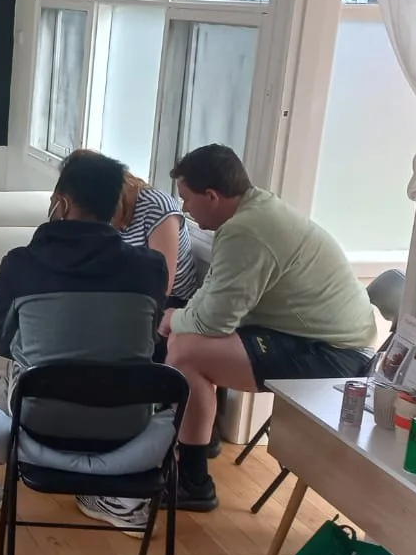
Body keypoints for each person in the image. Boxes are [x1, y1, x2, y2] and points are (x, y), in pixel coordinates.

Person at [0, 151, 168, 530]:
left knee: (16, 372)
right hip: (127, 428)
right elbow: (145, 344)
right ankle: (125, 502)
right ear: (116, 209)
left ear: (60, 203)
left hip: (39, 423)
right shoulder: (151, 267)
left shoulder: (21, 264)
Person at [162, 144, 378, 511]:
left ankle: (194, 480)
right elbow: (214, 293)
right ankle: (198, 438)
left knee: (187, 353)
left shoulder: (247, 231)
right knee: (186, 341)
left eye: (186, 198)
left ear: (212, 196)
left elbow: (215, 321)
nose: (184, 208)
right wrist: (183, 319)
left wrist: (171, 320)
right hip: (312, 337)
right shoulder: (253, 211)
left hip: (334, 356)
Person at [78, 151, 201, 305]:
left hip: (171, 302)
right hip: (126, 289)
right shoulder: (96, 209)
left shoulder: (157, 206)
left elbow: (162, 285)